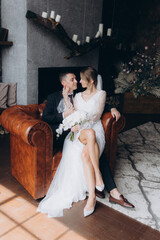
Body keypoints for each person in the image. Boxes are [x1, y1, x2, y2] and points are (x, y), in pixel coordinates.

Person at [38, 67, 134, 218]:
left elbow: (94, 104)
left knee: (88, 150)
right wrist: (67, 118)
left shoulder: (78, 95)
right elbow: (46, 119)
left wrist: (112, 107)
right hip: (68, 134)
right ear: (64, 83)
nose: (77, 81)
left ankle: (97, 194)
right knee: (92, 143)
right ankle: (108, 187)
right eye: (73, 79)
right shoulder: (53, 97)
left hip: (85, 129)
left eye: (79, 79)